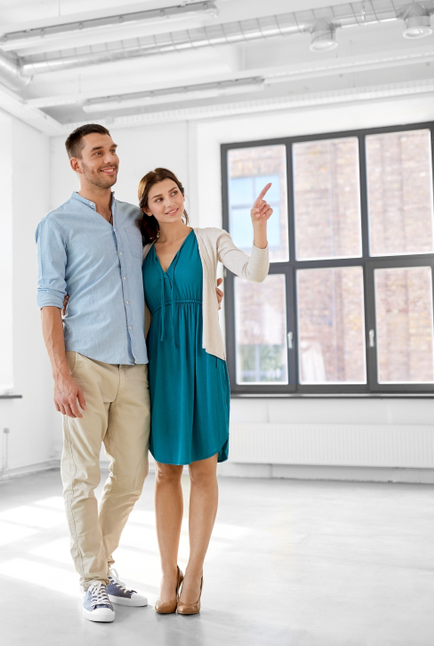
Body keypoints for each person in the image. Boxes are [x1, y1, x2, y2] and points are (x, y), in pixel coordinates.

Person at [34, 126, 224, 623]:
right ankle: (94, 580)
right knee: (81, 476)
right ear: (77, 164)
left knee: (134, 474)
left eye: (113, 150)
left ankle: (102, 565)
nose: (110, 159)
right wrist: (60, 374)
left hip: (137, 365)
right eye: (98, 153)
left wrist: (208, 289)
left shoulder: (133, 220)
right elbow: (50, 302)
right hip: (85, 363)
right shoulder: (57, 225)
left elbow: (177, 256)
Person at [136, 167, 271, 617]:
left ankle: (194, 570)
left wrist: (258, 226)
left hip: (204, 362)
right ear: (148, 208)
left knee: (204, 471)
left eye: (174, 193)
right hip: (162, 369)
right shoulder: (141, 254)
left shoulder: (211, 239)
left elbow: (253, 272)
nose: (170, 202)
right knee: (166, 473)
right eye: (159, 198)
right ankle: (165, 571)